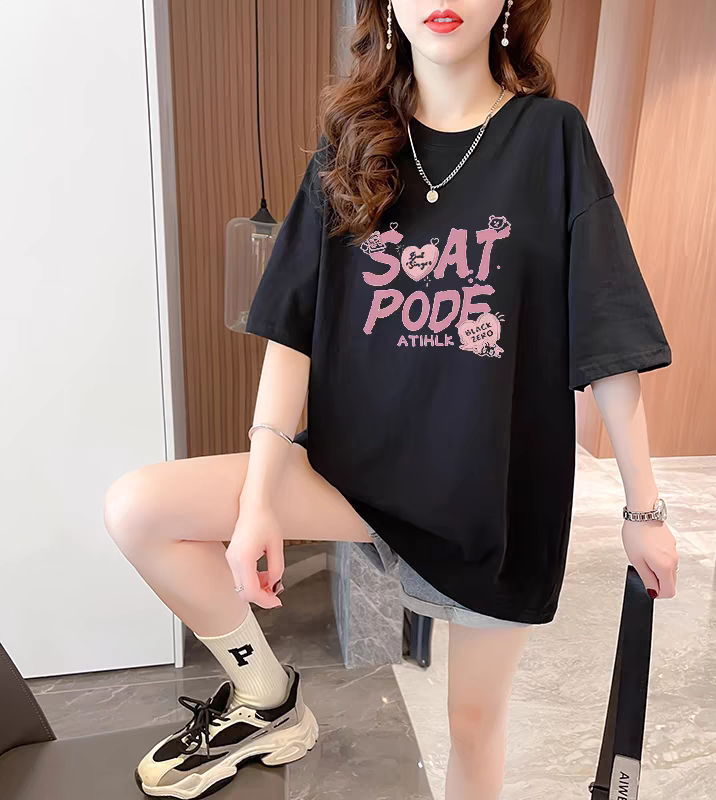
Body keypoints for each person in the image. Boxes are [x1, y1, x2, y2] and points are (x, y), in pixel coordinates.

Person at [104, 1, 680, 798]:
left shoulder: (552, 139)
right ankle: (266, 699)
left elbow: (610, 330)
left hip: (493, 500)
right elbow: (291, 334)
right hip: (356, 476)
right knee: (139, 509)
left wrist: (643, 510)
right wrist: (260, 499)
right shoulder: (351, 143)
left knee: (472, 728)